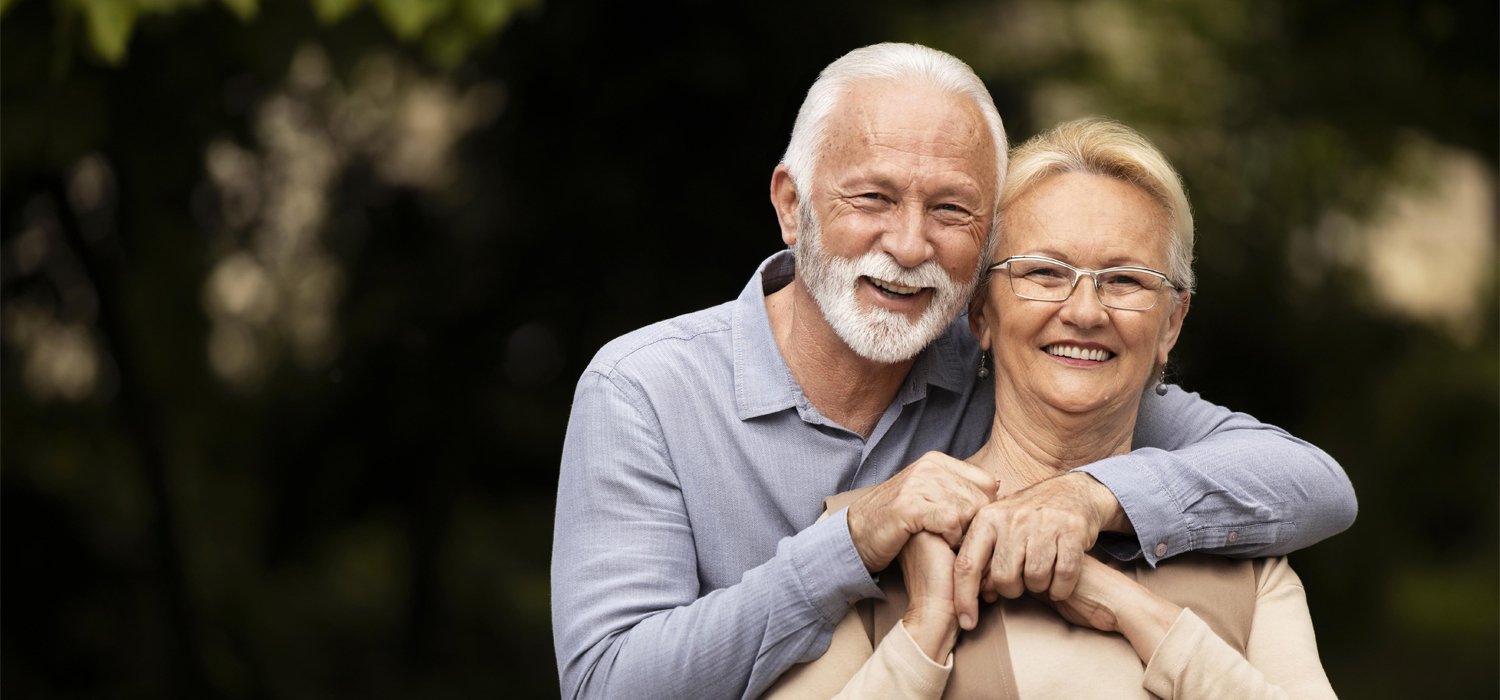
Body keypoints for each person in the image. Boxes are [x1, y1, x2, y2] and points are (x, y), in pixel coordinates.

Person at [552, 43, 1355, 699]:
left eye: (951, 210)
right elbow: (609, 686)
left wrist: (1089, 496)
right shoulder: (644, 392)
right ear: (793, 204)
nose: (909, 245)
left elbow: (1310, 483)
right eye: (873, 197)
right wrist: (855, 543)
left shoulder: (1013, 364)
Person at [766, 117, 1337, 699]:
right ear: (980, 315)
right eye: (1044, 272)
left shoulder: (1245, 562)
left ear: (1172, 323)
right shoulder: (872, 536)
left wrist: (1134, 611)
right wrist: (922, 632)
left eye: (1125, 280)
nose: (1086, 312)